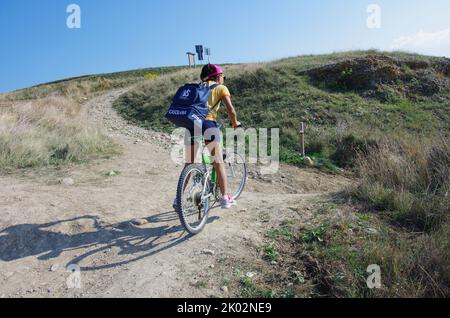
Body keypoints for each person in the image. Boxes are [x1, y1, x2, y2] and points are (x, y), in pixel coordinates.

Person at [173, 64, 241, 209]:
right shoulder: (221, 88)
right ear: (218, 76)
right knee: (218, 162)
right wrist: (235, 123)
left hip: (192, 125)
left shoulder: (198, 87)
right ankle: (225, 198)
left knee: (189, 164)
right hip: (208, 124)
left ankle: (177, 199)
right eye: (223, 76)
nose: (223, 78)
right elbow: (231, 110)